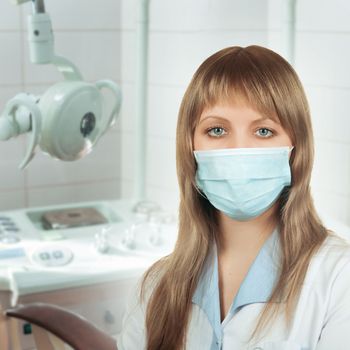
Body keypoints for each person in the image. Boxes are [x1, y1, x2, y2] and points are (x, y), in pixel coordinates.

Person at [116, 45, 350, 350]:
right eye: (216, 130)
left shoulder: (338, 278)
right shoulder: (155, 288)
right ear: (191, 148)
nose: (238, 150)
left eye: (264, 131)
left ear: (296, 150)